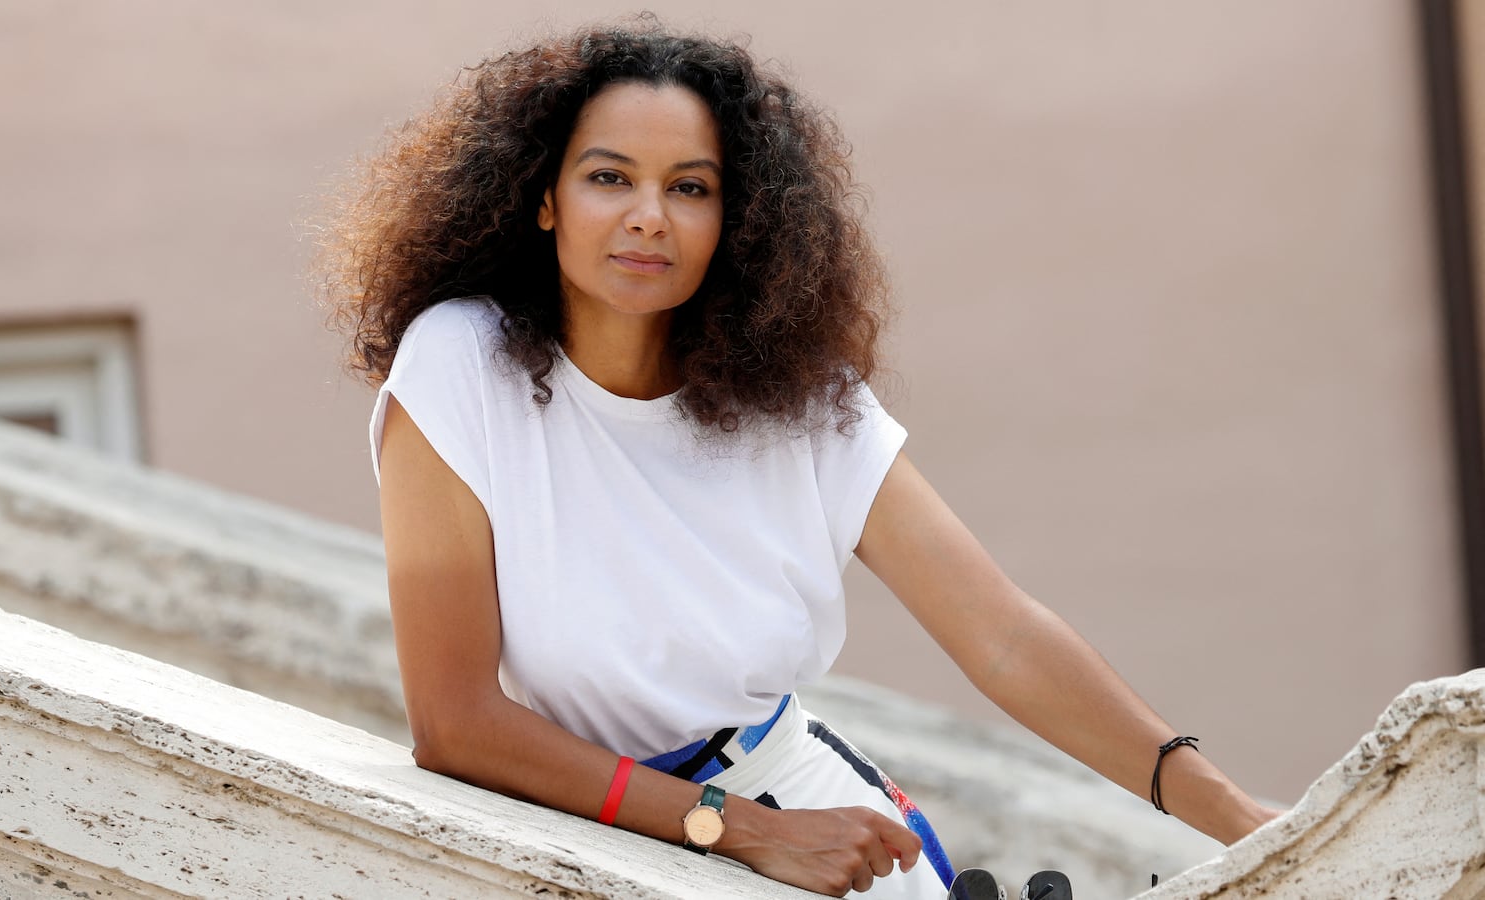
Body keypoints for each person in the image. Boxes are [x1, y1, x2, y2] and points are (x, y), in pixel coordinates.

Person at [319, 19, 1277, 899]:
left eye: (690, 187)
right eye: (609, 177)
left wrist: (1239, 820)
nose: (649, 215)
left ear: (733, 221)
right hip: (652, 832)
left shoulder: (800, 400)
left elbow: (1005, 640)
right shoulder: (457, 364)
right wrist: (731, 831)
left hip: (816, 823)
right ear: (542, 201)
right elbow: (454, 724)